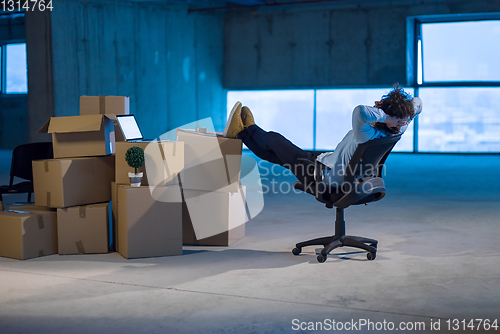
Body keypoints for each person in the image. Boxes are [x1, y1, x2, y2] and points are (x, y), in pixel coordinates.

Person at [223, 84, 422, 187]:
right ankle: (244, 133)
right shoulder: (395, 130)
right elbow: (418, 102)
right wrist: (397, 114)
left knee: (275, 140)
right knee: (278, 154)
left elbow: (359, 111)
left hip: (321, 176)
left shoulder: (368, 133)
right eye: (401, 118)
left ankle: (245, 130)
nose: (404, 122)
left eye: (404, 119)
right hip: (326, 161)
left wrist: (388, 116)